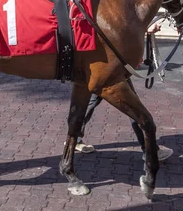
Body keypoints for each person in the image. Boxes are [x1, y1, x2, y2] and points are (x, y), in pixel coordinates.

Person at [74, 21, 174, 163]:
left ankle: (74, 136)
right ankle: (150, 151)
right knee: (133, 106)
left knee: (93, 101)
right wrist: (145, 28)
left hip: (109, 63)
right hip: (112, 64)